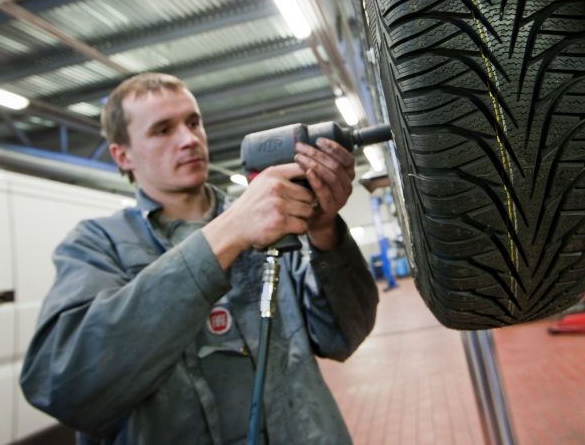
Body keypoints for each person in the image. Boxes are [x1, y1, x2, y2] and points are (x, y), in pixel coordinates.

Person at [20, 73, 379, 444]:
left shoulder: (268, 222)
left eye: (193, 122)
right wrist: (225, 236)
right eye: (162, 130)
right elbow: (64, 385)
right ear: (122, 154)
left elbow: (340, 336)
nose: (189, 139)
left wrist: (324, 234)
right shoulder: (96, 244)